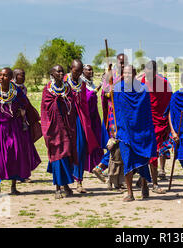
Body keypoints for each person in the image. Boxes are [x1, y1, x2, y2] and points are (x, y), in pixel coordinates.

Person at [0, 68, 41, 197]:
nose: (1, 77)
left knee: (14, 153)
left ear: (10, 77)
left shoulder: (17, 91)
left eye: (5, 75)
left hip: (14, 125)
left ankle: (13, 186)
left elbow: (25, 103)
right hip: (0, 126)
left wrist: (21, 112)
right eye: (0, 75)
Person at [113, 65, 158, 202]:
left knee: (143, 160)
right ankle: (130, 192)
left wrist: (147, 131)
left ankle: (144, 184)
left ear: (134, 74)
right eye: (124, 73)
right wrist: (117, 129)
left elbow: (146, 113)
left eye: (129, 73)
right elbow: (117, 111)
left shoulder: (143, 89)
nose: (126, 75)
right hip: (125, 131)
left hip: (141, 131)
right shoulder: (118, 88)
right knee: (127, 161)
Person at [65, 60, 103, 193]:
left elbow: (84, 102)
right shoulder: (64, 81)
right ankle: (65, 183)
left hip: (79, 120)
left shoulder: (81, 84)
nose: (78, 74)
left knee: (80, 149)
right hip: (65, 121)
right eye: (76, 71)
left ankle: (79, 182)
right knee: (66, 150)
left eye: (80, 71)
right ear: (71, 69)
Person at [41, 65, 77, 199]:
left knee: (67, 153)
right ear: (52, 73)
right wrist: (57, 100)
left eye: (62, 71)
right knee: (56, 155)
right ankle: (57, 187)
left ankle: (66, 184)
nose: (61, 73)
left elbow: (71, 105)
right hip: (53, 127)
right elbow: (45, 109)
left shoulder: (67, 88)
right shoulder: (47, 90)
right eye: (58, 71)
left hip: (66, 126)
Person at [92, 53, 128, 183]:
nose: (122, 65)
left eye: (125, 63)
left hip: (126, 114)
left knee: (123, 144)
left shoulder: (128, 75)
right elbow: (105, 93)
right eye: (121, 63)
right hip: (114, 115)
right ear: (116, 63)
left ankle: (117, 176)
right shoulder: (110, 75)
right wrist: (112, 89)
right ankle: (102, 168)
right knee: (117, 142)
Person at [139, 60, 172, 193]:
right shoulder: (140, 82)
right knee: (144, 153)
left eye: (152, 71)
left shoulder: (163, 83)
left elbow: (169, 102)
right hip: (143, 122)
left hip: (159, 123)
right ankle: (144, 181)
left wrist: (169, 122)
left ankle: (154, 183)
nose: (149, 73)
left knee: (154, 153)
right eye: (147, 70)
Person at [12, 68, 43, 183]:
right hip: (14, 122)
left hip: (23, 122)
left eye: (24, 75)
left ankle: (23, 174)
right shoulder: (11, 88)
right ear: (15, 76)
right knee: (16, 148)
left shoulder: (23, 88)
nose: (23, 77)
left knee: (25, 148)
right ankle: (16, 174)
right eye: (21, 75)